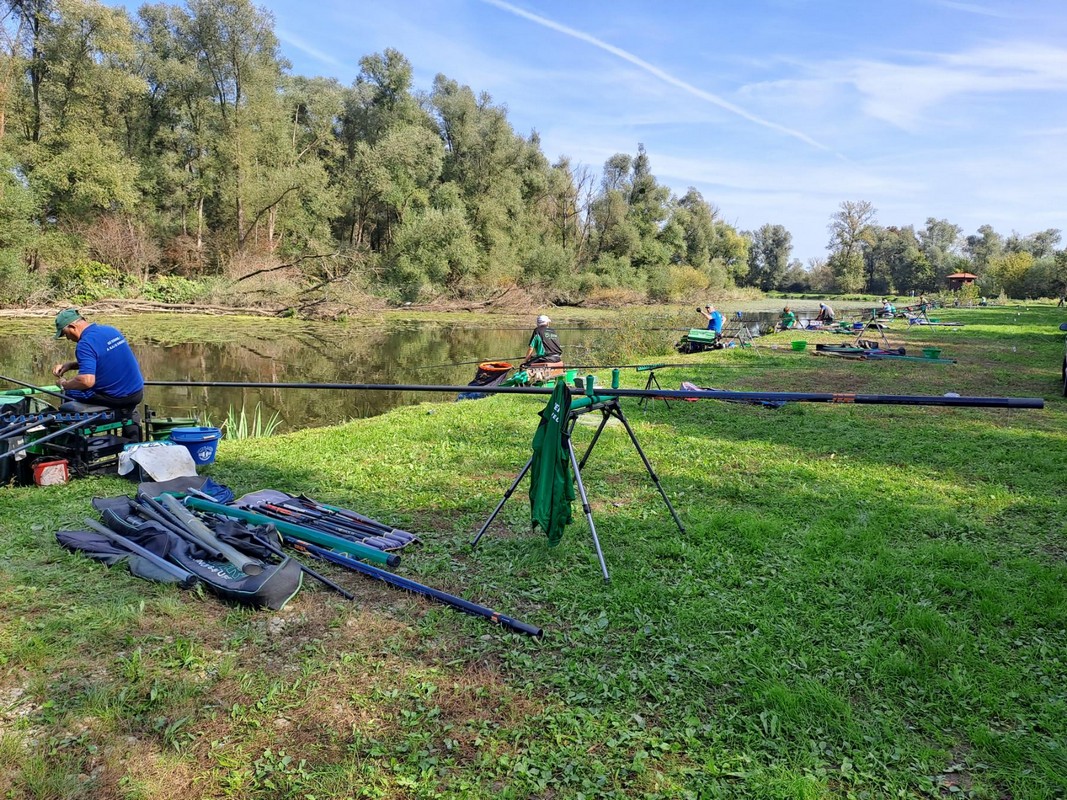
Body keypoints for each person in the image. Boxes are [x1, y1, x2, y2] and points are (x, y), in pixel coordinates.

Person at [51, 308, 144, 413]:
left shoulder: (85, 344)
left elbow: (86, 381)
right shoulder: (110, 330)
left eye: (65, 334)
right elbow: (104, 360)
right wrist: (71, 365)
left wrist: (64, 384)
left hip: (118, 398)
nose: (68, 338)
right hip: (137, 393)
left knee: (70, 392)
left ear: (72, 327)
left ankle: (71, 422)